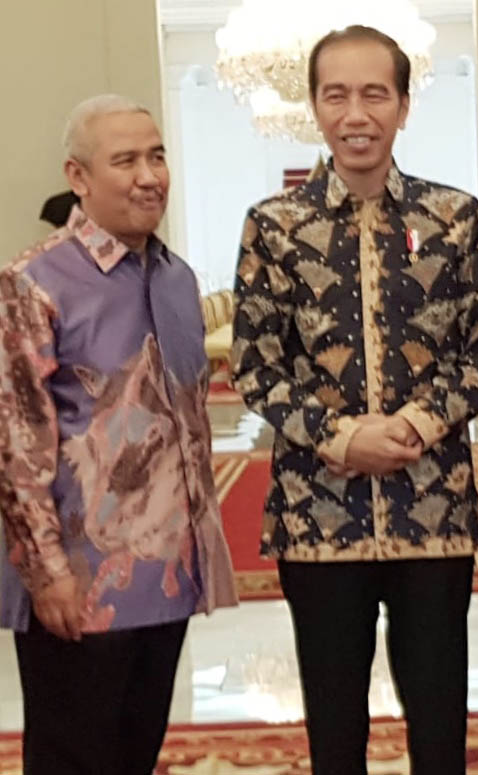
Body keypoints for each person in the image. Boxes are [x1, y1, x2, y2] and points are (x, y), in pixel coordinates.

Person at [230, 25, 478, 775]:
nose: (356, 114)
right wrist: (337, 436)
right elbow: (256, 364)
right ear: (315, 107)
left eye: (374, 94)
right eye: (337, 95)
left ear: (402, 105)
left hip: (434, 511)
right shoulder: (274, 225)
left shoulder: (453, 217)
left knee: (438, 716)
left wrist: (421, 421)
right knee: (332, 720)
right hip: (318, 513)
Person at [0, 94, 238, 775]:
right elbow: (17, 446)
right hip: (80, 584)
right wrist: (47, 575)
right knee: (74, 758)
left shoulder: (175, 276)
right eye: (125, 159)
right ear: (78, 177)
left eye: (157, 155)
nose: (148, 175)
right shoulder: (33, 282)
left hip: (166, 578)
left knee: (137, 750)